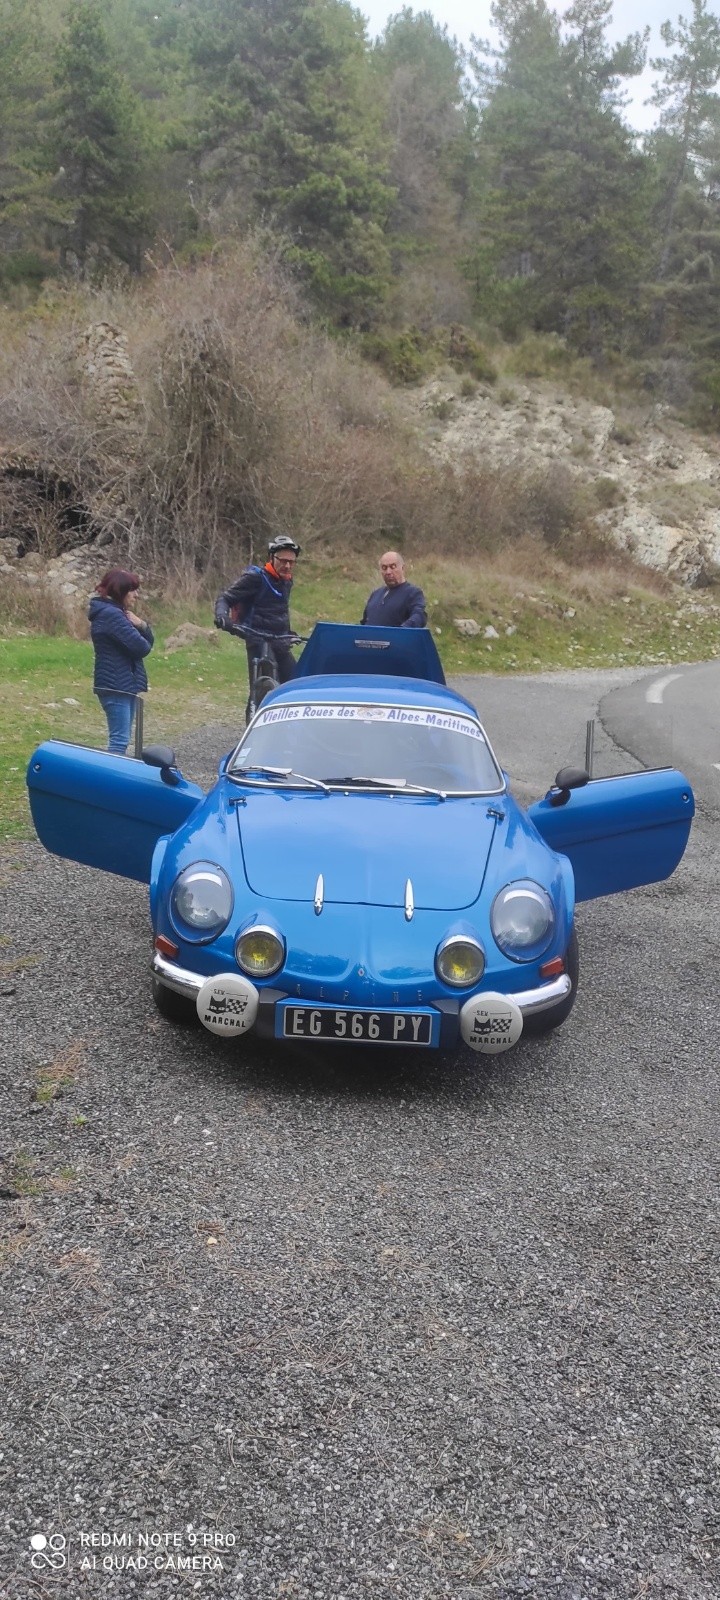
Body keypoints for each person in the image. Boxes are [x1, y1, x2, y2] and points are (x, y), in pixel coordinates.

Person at [214, 536, 301, 710]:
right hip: (258, 639)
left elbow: (279, 610)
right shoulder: (256, 578)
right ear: (272, 558)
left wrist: (288, 632)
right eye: (283, 561)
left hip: (280, 640)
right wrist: (222, 616)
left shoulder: (286, 580)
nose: (287, 566)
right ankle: (255, 718)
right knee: (262, 690)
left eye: (291, 562)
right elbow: (225, 598)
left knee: (295, 684)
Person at [88, 568, 154, 755]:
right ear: (120, 591)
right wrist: (141, 626)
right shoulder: (112, 615)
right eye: (132, 590)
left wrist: (142, 625)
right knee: (119, 741)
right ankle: (108, 775)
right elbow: (142, 648)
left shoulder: (113, 613)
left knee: (121, 739)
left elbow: (145, 645)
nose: (136, 595)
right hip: (116, 685)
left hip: (122, 684)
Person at [361, 551, 427, 628]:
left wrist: (401, 631)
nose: (388, 572)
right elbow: (364, 624)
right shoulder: (375, 594)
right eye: (384, 568)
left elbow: (419, 616)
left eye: (393, 566)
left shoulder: (413, 593)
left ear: (402, 568)